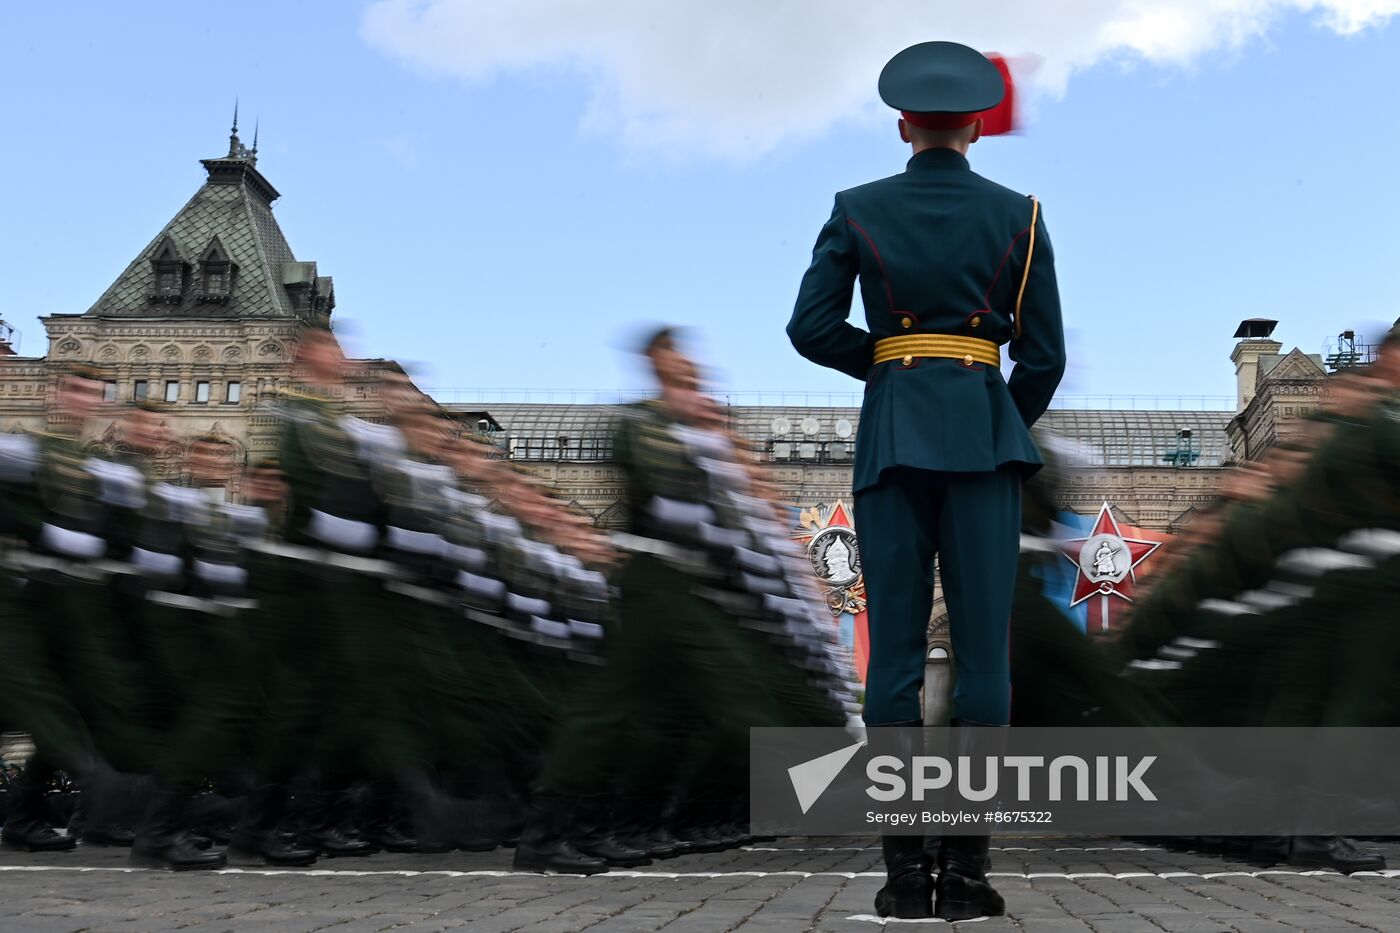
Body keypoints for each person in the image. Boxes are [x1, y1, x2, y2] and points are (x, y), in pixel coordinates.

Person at [786, 41, 1066, 921]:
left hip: (894, 441)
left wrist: (892, 370)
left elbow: (809, 326)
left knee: (895, 662)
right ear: (977, 127)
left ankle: (906, 878)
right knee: (985, 661)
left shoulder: (856, 207)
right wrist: (989, 411)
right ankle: (971, 877)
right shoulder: (1019, 214)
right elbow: (1045, 357)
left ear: (902, 125)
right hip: (985, 448)